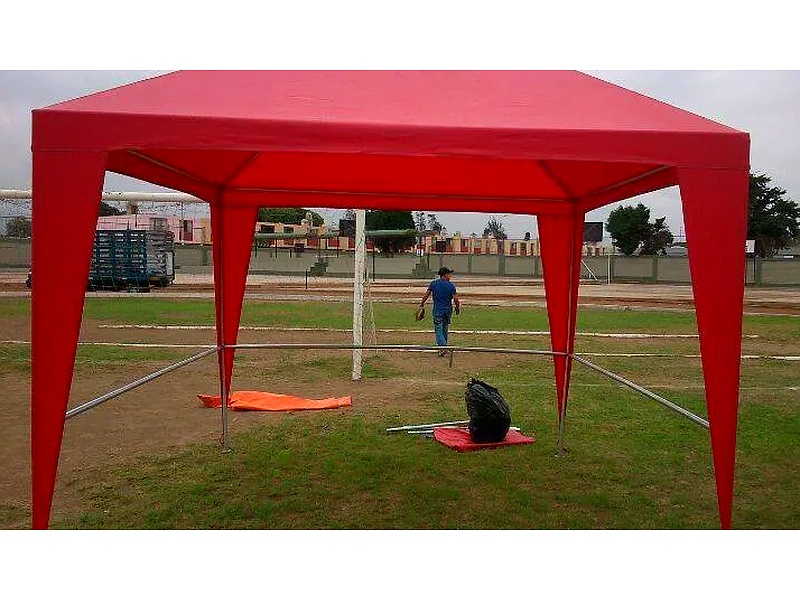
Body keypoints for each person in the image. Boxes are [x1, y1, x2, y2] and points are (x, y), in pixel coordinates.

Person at [419, 266, 461, 356]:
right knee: (445, 329)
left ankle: (443, 347)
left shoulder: (434, 284)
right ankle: (443, 348)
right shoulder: (451, 286)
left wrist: (422, 304)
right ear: (445, 275)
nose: (450, 276)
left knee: (438, 329)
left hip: (438, 310)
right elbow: (456, 299)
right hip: (448, 310)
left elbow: (426, 295)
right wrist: (457, 307)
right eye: (449, 274)